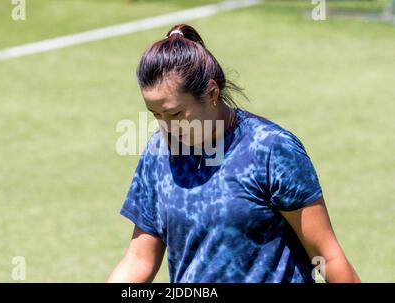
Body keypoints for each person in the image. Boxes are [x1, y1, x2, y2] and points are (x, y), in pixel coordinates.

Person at [108, 24, 360, 283]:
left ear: (212, 92)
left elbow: (328, 257)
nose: (166, 126)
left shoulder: (270, 149)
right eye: (156, 115)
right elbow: (139, 258)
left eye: (174, 114)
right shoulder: (159, 152)